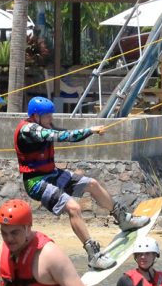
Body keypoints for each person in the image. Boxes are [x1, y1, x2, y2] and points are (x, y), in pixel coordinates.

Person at [15, 96, 150, 270]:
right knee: (74, 207)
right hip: (36, 182)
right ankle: (94, 255)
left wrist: (90, 131)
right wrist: (90, 130)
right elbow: (62, 136)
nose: (51, 119)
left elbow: (66, 134)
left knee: (92, 183)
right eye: (48, 115)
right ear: (35, 116)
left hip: (52, 174)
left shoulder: (43, 125)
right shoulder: (29, 130)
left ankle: (123, 219)